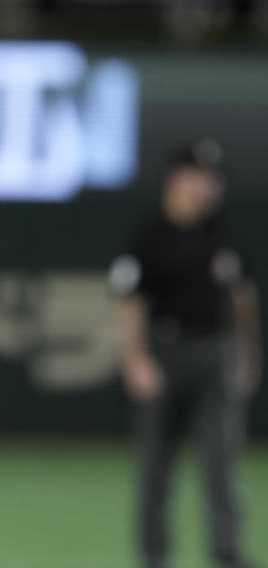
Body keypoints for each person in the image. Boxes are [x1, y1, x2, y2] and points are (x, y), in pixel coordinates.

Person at [109, 138, 262, 568]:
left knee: (221, 461)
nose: (206, 187)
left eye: (212, 179)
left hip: (215, 352)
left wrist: (248, 353)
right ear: (175, 180)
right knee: (155, 467)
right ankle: (155, 557)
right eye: (198, 177)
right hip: (164, 352)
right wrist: (135, 358)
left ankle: (227, 553)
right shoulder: (149, 235)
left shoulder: (224, 232)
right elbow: (130, 301)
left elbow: (241, 297)